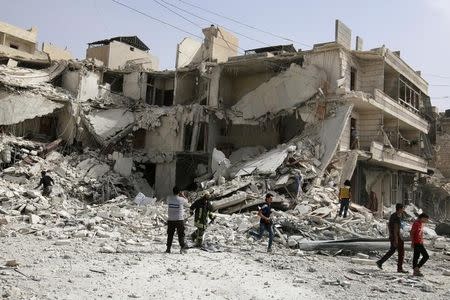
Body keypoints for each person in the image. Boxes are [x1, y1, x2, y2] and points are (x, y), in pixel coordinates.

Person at [376, 203, 407, 273]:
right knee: (401, 252)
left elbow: (389, 226)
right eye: (402, 209)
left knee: (392, 250)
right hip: (397, 236)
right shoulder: (396, 217)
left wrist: (391, 235)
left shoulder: (393, 215)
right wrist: (396, 240)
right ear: (400, 209)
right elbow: (396, 229)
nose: (403, 210)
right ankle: (400, 268)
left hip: (393, 236)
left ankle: (380, 262)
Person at [166, 186, 190, 254]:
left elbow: (168, 202)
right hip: (179, 220)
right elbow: (187, 202)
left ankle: (168, 249)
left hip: (170, 219)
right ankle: (182, 247)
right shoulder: (181, 199)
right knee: (181, 234)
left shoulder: (169, 198)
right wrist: (182, 195)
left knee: (170, 234)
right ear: (179, 192)